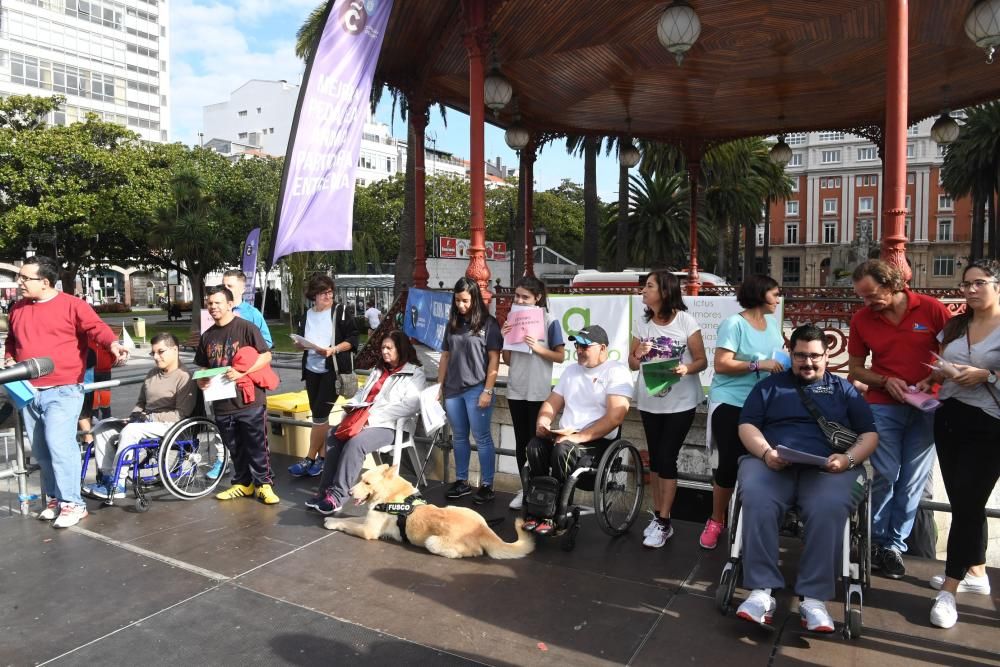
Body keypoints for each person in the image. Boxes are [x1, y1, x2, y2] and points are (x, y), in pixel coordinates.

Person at [735, 324, 878, 632]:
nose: (808, 362)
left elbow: (869, 434)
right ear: (791, 354)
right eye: (801, 355)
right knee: (756, 497)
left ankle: (813, 598)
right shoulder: (769, 386)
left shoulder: (844, 390)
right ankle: (761, 592)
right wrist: (765, 453)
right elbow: (747, 425)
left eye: (815, 356)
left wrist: (848, 459)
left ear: (827, 356)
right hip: (773, 462)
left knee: (829, 507)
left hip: (829, 468)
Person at [4, 255, 130, 528]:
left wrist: (113, 344)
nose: (20, 282)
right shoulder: (17, 308)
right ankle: (56, 499)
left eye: (26, 278)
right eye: (20, 277)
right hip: (28, 390)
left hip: (63, 390)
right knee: (41, 450)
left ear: (46, 282)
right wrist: (10, 358)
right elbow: (12, 341)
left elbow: (97, 329)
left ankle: (74, 503)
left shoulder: (73, 305)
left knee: (59, 446)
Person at [848, 259, 951, 579]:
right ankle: (876, 541)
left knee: (913, 481)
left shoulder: (932, 309)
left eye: (872, 295)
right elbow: (855, 369)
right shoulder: (862, 319)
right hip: (882, 404)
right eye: (862, 297)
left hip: (927, 405)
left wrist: (934, 379)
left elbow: (953, 354)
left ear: (893, 285)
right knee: (886, 473)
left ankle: (894, 545)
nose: (867, 303)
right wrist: (882, 380)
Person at [925, 260, 1000, 628]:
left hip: (989, 424)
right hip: (949, 417)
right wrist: (935, 376)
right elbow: (939, 364)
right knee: (964, 502)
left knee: (968, 503)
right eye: (965, 284)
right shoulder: (957, 324)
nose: (970, 290)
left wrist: (989, 374)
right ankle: (977, 573)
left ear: (997, 285)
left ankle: (949, 591)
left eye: (979, 283)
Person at [523, 325, 635, 535]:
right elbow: (551, 403)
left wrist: (578, 437)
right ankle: (538, 507)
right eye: (577, 345)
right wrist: (543, 423)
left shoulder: (617, 372)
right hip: (567, 436)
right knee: (534, 446)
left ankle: (554, 514)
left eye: (585, 346)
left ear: (602, 348)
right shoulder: (571, 371)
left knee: (562, 450)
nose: (579, 350)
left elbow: (615, 417)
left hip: (597, 442)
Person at [703, 274, 785, 550]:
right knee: (728, 462)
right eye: (775, 293)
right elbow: (722, 364)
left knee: (764, 462)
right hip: (731, 401)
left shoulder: (772, 324)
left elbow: (776, 357)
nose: (778, 299)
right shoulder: (734, 323)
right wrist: (757, 364)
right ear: (761, 294)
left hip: (763, 403)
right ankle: (716, 520)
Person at [305, 330, 426, 515]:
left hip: (391, 425)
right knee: (332, 435)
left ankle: (338, 496)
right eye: (383, 347)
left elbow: (410, 406)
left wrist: (372, 418)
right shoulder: (379, 370)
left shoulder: (415, 373)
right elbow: (363, 393)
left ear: (401, 349)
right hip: (363, 419)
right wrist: (352, 406)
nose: (385, 352)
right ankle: (324, 491)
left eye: (389, 348)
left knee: (356, 444)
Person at [629, 270, 707, 548]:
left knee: (667, 457)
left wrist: (686, 368)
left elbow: (702, 361)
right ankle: (660, 516)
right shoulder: (642, 322)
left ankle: (664, 522)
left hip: (681, 402)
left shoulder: (686, 321)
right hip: (650, 402)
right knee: (657, 460)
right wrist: (638, 354)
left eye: (649, 286)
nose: (644, 291)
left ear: (664, 291)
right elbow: (632, 363)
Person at [82, 333, 197, 499]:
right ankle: (106, 477)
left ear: (175, 350)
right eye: (153, 353)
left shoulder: (184, 377)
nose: (156, 357)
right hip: (144, 422)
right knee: (103, 426)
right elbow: (141, 402)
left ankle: (118, 483)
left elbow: (181, 414)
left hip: (171, 426)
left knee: (131, 431)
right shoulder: (152, 374)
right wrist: (134, 416)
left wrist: (147, 419)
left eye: (161, 352)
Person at [195, 287, 279, 505]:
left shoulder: (246, 328)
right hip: (222, 403)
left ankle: (264, 484)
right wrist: (201, 379)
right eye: (210, 303)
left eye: (217, 303)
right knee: (234, 447)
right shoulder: (208, 335)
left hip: (249, 401)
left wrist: (243, 372)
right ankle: (242, 483)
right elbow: (204, 366)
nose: (213, 307)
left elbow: (266, 355)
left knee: (257, 446)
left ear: (230, 304)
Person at [500, 276, 565, 511]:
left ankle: (542, 491)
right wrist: (505, 337)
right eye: (517, 296)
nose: (519, 300)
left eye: (525, 297)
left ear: (537, 297)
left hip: (538, 390)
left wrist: (538, 348)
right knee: (520, 443)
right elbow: (507, 359)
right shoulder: (511, 319)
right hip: (516, 388)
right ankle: (525, 489)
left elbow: (561, 356)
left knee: (536, 443)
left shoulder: (550, 320)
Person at [437, 277, 503, 504]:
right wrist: (439, 385)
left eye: (465, 301)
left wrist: (488, 390)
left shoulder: (489, 324)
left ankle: (486, 485)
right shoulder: (452, 324)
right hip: (453, 389)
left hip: (477, 388)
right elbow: (445, 356)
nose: (460, 305)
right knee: (459, 437)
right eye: (457, 301)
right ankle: (462, 481)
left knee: (482, 437)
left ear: (474, 299)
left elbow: (495, 359)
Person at [288, 274, 359, 478]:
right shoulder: (307, 315)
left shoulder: (341, 311)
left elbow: (353, 339)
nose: (328, 296)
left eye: (330, 292)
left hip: (333, 371)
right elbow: (304, 339)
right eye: (323, 293)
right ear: (314, 295)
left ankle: (309, 458)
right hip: (311, 370)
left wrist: (333, 349)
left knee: (319, 414)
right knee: (320, 415)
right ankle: (323, 459)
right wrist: (300, 344)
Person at [222, 269, 273, 349]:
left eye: (230, 286)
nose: (225, 289)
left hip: (244, 359)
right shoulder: (217, 311)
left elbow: (267, 343)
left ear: (242, 290)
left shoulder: (252, 314)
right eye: (224, 286)